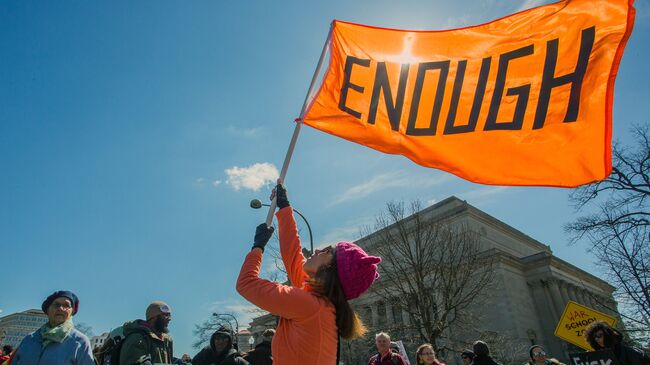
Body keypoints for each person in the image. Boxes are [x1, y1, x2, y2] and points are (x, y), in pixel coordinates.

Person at [237, 182, 382, 364]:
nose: (318, 250)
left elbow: (246, 283)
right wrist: (285, 208)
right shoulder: (319, 304)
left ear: (330, 270)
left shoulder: (309, 305)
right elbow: (293, 255)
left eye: (328, 251)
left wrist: (257, 247)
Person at [12, 290, 95, 365]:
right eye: (56, 305)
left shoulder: (80, 341)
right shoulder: (29, 339)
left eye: (66, 305)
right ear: (48, 310)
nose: (61, 308)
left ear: (72, 312)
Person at [119, 301, 174, 365]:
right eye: (166, 315)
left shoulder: (165, 340)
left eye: (169, 315)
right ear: (153, 317)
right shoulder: (137, 338)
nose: (169, 319)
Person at [584, 321, 650, 365]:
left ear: (608, 335)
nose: (596, 339)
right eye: (594, 337)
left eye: (599, 335)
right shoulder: (599, 357)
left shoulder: (631, 352)